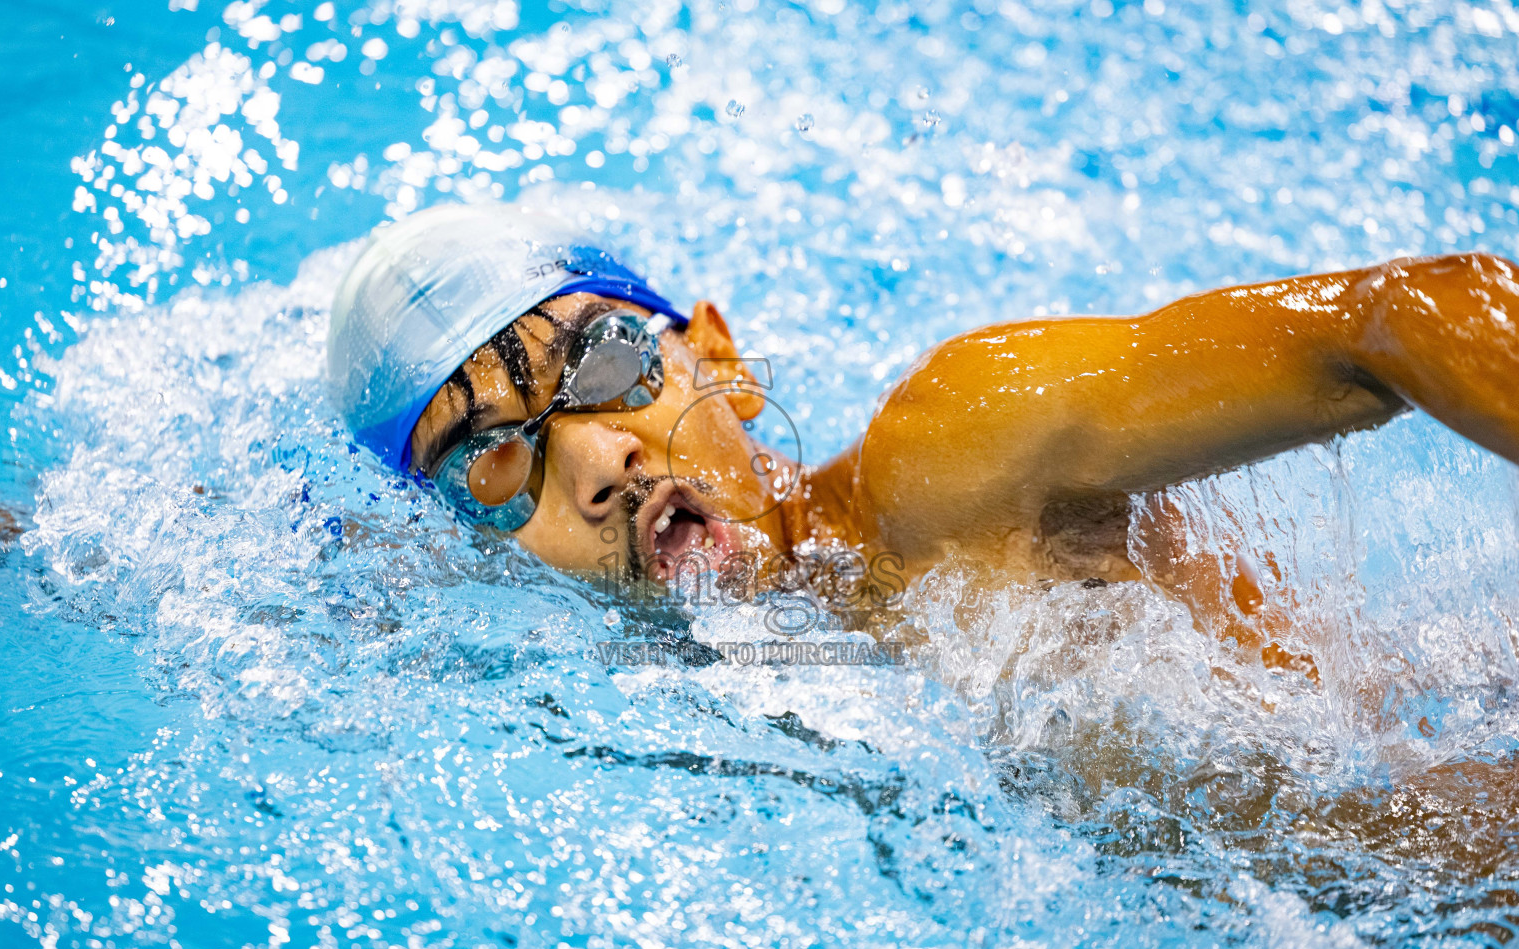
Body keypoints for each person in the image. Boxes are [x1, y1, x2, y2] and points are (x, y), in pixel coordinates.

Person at [328, 203, 1519, 660]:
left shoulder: (949, 460)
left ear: (722, 363)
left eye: (607, 361)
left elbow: (1396, 319)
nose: (599, 461)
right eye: (495, 458)